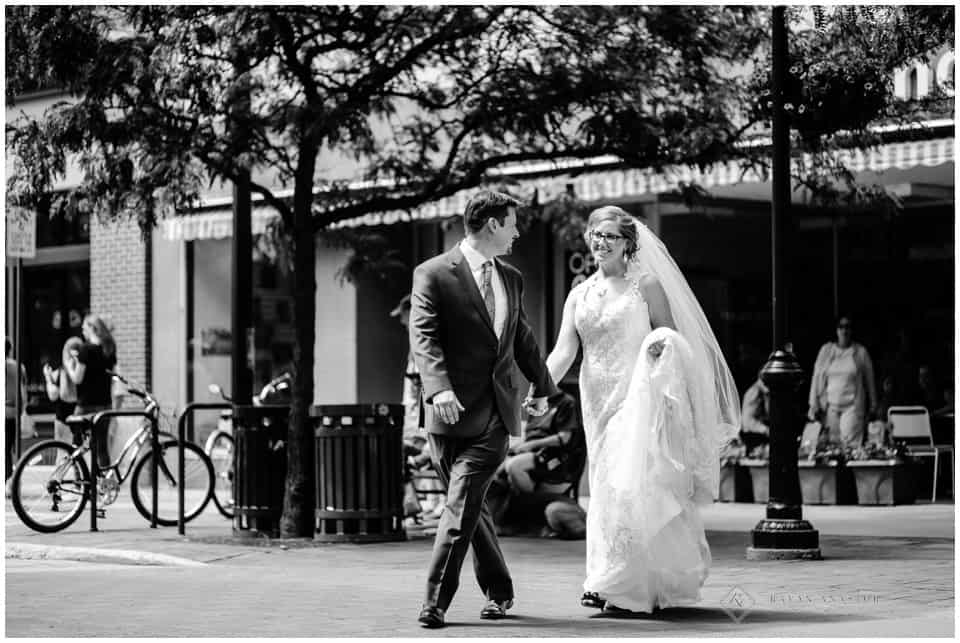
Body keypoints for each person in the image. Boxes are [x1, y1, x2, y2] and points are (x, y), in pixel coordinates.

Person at [542, 206, 740, 614]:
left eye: (611, 236)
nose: (601, 242)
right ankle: (606, 576)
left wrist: (657, 347)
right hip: (596, 399)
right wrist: (538, 387)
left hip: (638, 397)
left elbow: (671, 336)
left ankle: (617, 584)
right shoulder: (580, 294)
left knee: (627, 485)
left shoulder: (646, 285)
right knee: (602, 486)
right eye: (595, 234)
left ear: (628, 244)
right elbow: (565, 349)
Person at [408, 190, 558, 628]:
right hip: (447, 413)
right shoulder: (433, 273)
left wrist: (543, 387)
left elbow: (523, 339)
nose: (516, 232)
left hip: (496, 411)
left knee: (459, 504)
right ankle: (500, 591)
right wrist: (437, 390)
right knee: (471, 508)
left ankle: (435, 600)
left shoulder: (510, 277)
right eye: (512, 223)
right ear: (492, 224)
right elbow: (424, 337)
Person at [487, 390, 587, 540]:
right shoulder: (537, 403)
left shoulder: (566, 402)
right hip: (533, 454)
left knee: (513, 466)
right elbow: (532, 435)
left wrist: (532, 444)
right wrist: (519, 446)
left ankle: (527, 502)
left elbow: (565, 438)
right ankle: (520, 506)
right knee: (498, 466)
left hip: (554, 459)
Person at [807, 316, 877, 449]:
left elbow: (870, 380)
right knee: (832, 445)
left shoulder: (860, 352)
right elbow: (816, 378)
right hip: (830, 407)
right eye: (841, 327)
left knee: (850, 445)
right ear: (836, 330)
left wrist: (873, 405)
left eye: (847, 327)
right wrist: (813, 405)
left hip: (852, 407)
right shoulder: (826, 351)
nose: (844, 331)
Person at [64, 314, 117, 467]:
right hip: (105, 404)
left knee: (76, 447)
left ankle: (81, 483)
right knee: (101, 449)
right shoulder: (109, 349)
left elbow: (77, 379)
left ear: (93, 328)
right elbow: (111, 376)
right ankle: (106, 488)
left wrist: (69, 365)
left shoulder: (85, 350)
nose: (83, 331)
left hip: (85, 405)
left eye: (84, 328)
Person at [43, 336, 84, 447]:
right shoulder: (84, 374)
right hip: (81, 420)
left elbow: (53, 395)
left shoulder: (60, 372)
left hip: (62, 421)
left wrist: (48, 378)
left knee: (62, 455)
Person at [5, 338, 28, 480]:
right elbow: (23, 390)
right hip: (15, 412)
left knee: (5, 450)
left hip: (5, 410)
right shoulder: (19, 366)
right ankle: (12, 480)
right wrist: (22, 408)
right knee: (12, 448)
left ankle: (8, 479)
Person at [739, 370, 770, 454]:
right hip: (754, 437)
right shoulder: (755, 392)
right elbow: (747, 420)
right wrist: (766, 430)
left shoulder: (763, 392)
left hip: (757, 436)